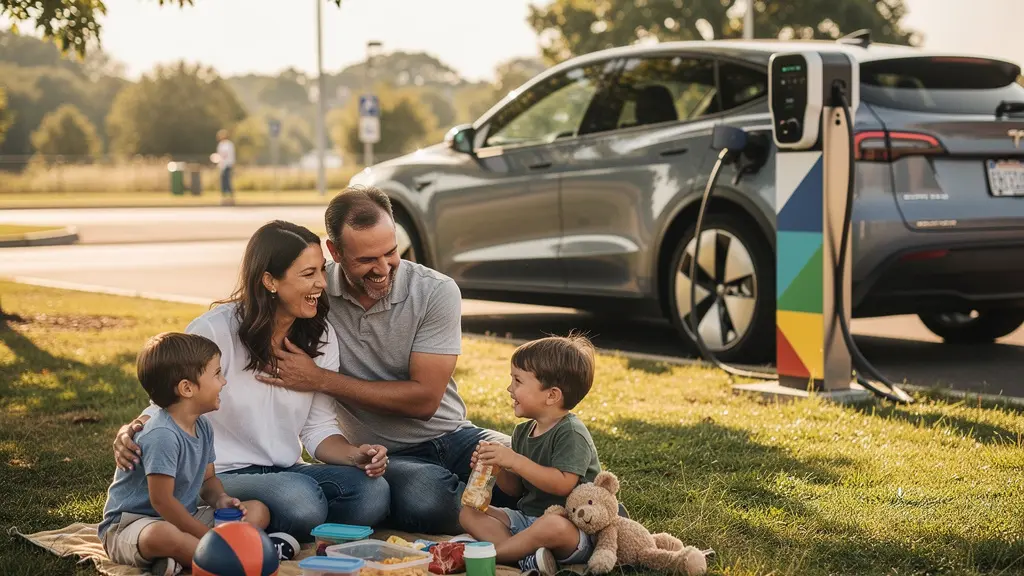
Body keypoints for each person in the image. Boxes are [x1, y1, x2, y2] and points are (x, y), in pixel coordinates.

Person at [253, 186, 515, 535]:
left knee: (526, 458)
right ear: (335, 251)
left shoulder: (435, 291)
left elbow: (425, 400)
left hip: (454, 435)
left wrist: (320, 379)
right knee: (430, 496)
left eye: (390, 252)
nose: (383, 268)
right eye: (366, 260)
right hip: (382, 455)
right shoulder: (313, 294)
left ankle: (542, 514)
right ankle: (517, 521)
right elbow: (252, 308)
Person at [112, 221, 390, 542]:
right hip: (222, 475)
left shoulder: (321, 336)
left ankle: (271, 524)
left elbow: (318, 429)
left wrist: (355, 455)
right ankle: (264, 524)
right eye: (308, 273)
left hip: (287, 471)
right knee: (301, 499)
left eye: (322, 271)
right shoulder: (214, 331)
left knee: (372, 492)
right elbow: (168, 404)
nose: (322, 284)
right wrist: (130, 432)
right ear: (270, 281)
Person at [99, 332, 271, 576]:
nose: (223, 382)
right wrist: (208, 536)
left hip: (184, 516)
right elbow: (162, 501)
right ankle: (233, 559)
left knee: (257, 510)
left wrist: (220, 499)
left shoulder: (202, 426)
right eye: (217, 374)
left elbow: (208, 480)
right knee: (162, 535)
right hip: (133, 525)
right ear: (187, 388)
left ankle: (183, 560)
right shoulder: (162, 435)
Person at [458, 334, 601, 576]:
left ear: (552, 395)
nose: (509, 388)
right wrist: (498, 468)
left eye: (517, 380)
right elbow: (515, 490)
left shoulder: (571, 433)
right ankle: (526, 557)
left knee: (553, 525)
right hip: (527, 520)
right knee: (468, 513)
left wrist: (514, 460)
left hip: (573, 527)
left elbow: (562, 485)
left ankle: (499, 553)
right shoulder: (523, 431)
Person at [215, 129, 235, 201]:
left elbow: (231, 155)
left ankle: (230, 194)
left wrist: (232, 164)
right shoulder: (220, 145)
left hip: (228, 164)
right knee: (222, 180)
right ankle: (224, 195)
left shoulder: (229, 144)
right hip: (222, 165)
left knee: (227, 179)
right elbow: (220, 155)